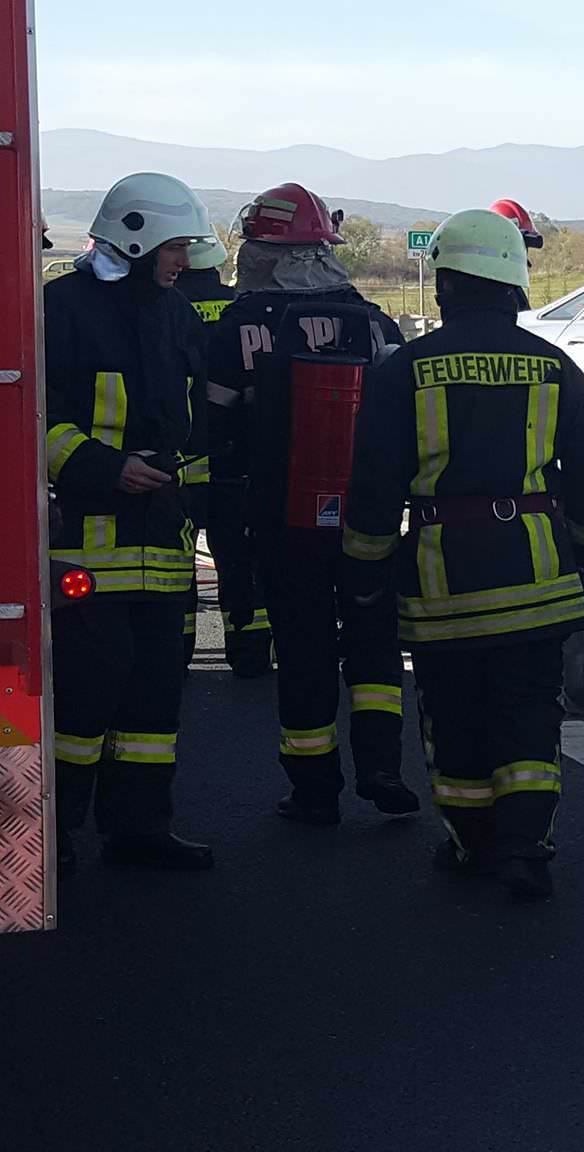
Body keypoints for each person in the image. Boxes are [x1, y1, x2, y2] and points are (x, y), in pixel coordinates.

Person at [342, 208, 584, 900]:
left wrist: (366, 569)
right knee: (528, 713)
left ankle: (473, 844)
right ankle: (527, 845)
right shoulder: (556, 366)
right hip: (534, 579)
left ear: (446, 284)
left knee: (455, 714)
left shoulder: (404, 369)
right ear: (513, 281)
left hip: (443, 583)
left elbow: (373, 484)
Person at [208, 181, 418, 825]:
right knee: (374, 645)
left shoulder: (237, 327)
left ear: (261, 251)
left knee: (302, 649)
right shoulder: (373, 320)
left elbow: (213, 430)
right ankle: (381, 765)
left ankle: (313, 787)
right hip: (365, 516)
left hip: (279, 515)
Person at [42, 172, 217, 870]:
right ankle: (53, 833)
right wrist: (99, 466)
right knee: (84, 699)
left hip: (163, 543)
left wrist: (195, 504)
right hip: (87, 542)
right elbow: (31, 418)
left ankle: (140, 827)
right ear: (136, 234)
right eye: (174, 247)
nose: (182, 261)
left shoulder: (176, 315)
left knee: (152, 702)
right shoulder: (60, 308)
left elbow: (193, 427)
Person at [173, 233, 272, 675]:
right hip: (236, 461)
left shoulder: (167, 310)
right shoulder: (239, 311)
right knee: (238, 557)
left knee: (175, 560)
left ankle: (178, 650)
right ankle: (248, 648)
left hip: (180, 461)